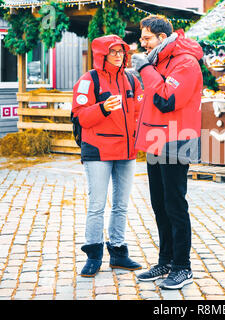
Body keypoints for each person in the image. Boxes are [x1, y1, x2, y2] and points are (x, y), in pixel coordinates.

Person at [131, 15, 203, 290]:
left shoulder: (186, 62)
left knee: (175, 205)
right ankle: (166, 261)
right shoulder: (159, 61)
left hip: (177, 140)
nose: (142, 43)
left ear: (163, 38)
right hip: (155, 140)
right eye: (142, 38)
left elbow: (166, 99)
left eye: (147, 38)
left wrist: (145, 70)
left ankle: (183, 267)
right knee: (160, 205)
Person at [72, 34, 144, 277]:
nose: (118, 55)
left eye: (121, 51)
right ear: (101, 55)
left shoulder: (131, 80)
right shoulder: (88, 80)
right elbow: (80, 116)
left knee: (121, 205)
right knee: (96, 205)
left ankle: (118, 253)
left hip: (127, 151)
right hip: (98, 152)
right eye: (112, 51)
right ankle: (93, 255)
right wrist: (102, 108)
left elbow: (139, 114)